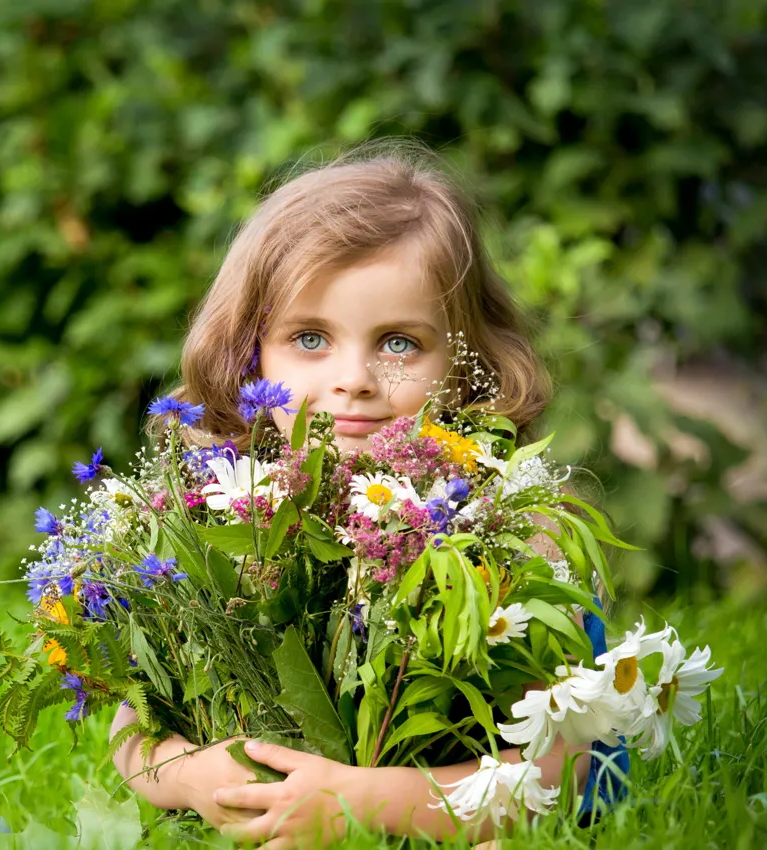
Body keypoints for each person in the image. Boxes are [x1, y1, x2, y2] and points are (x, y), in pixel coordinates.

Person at [109, 145, 627, 848]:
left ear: (467, 361)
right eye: (311, 337)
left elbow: (568, 771)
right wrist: (194, 778)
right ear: (248, 351)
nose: (354, 378)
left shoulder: (514, 537)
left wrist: (360, 803)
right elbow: (133, 729)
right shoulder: (212, 519)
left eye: (400, 344)